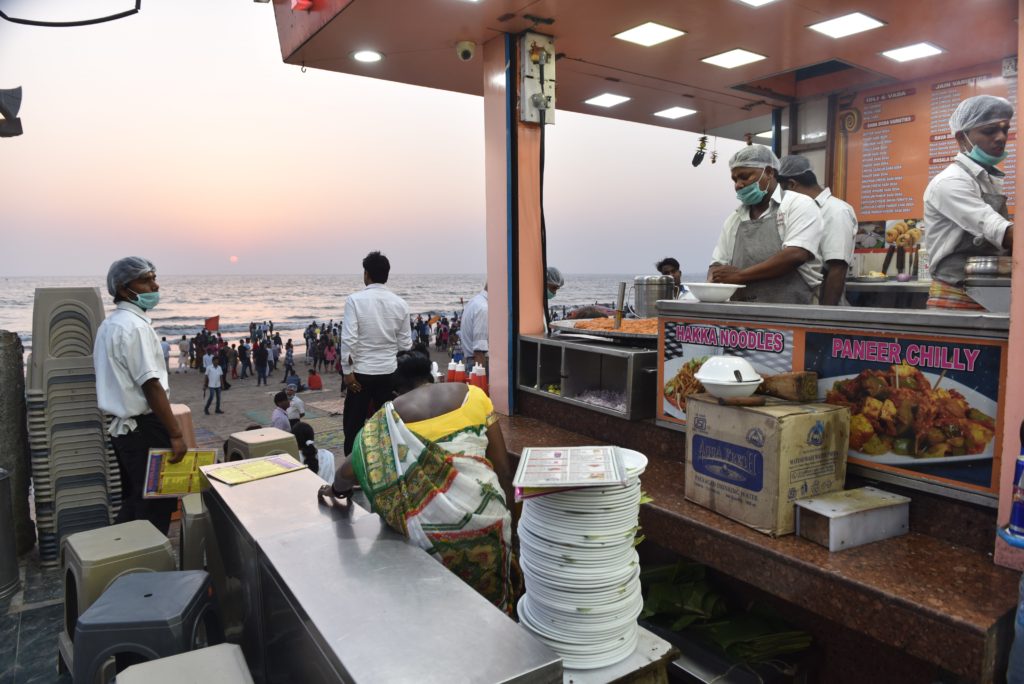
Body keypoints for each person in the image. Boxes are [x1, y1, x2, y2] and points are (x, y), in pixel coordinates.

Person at [318, 346, 518, 615]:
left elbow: (347, 473)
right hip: (491, 521)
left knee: (444, 612)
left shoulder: (384, 422)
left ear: (394, 391)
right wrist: (511, 527)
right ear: (431, 375)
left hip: (429, 539)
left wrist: (334, 491)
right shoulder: (475, 396)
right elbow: (504, 470)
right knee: (491, 612)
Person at [94, 257, 184, 535]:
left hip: (124, 430)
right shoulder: (135, 327)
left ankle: (123, 555)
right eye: (146, 280)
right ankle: (145, 561)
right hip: (144, 428)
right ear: (123, 289)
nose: (155, 285)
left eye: (154, 278)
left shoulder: (110, 325)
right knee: (156, 505)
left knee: (134, 499)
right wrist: (176, 434)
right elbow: (151, 385)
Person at [924, 95, 1014, 309]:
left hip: (987, 292)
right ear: (962, 137)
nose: (1001, 137)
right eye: (989, 131)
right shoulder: (950, 182)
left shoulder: (985, 179)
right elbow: (999, 230)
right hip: (956, 297)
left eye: (1005, 129)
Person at [708, 145, 823, 304]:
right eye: (735, 180)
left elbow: (796, 254)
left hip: (790, 314)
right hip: (741, 316)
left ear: (769, 172)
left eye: (744, 176)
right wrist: (714, 277)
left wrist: (739, 276)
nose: (738, 185)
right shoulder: (734, 219)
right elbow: (718, 263)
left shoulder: (798, 205)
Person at [339, 251, 412, 455]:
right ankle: (388, 464)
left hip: (360, 374)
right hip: (389, 372)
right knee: (388, 424)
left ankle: (352, 468)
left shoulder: (354, 300)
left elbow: (349, 338)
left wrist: (347, 371)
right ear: (386, 275)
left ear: (366, 274)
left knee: (353, 424)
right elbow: (406, 344)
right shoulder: (400, 303)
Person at [778, 155, 858, 306]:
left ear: (791, 184)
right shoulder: (797, 211)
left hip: (818, 305)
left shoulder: (835, 211)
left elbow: (837, 269)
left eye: (782, 191)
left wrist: (823, 319)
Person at [460, 284, 488, 372]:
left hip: (472, 361)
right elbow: (479, 351)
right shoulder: (483, 307)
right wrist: (480, 381)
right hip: (478, 363)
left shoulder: (475, 301)